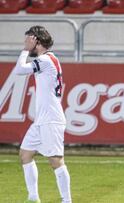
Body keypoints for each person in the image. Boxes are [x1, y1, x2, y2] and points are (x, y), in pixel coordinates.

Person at [17, 26, 71, 203]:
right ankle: (33, 197)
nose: (27, 44)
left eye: (29, 41)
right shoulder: (49, 59)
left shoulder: (46, 60)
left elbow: (20, 70)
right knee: (25, 154)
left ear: (37, 41)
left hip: (51, 119)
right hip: (42, 120)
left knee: (56, 160)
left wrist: (25, 50)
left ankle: (67, 200)